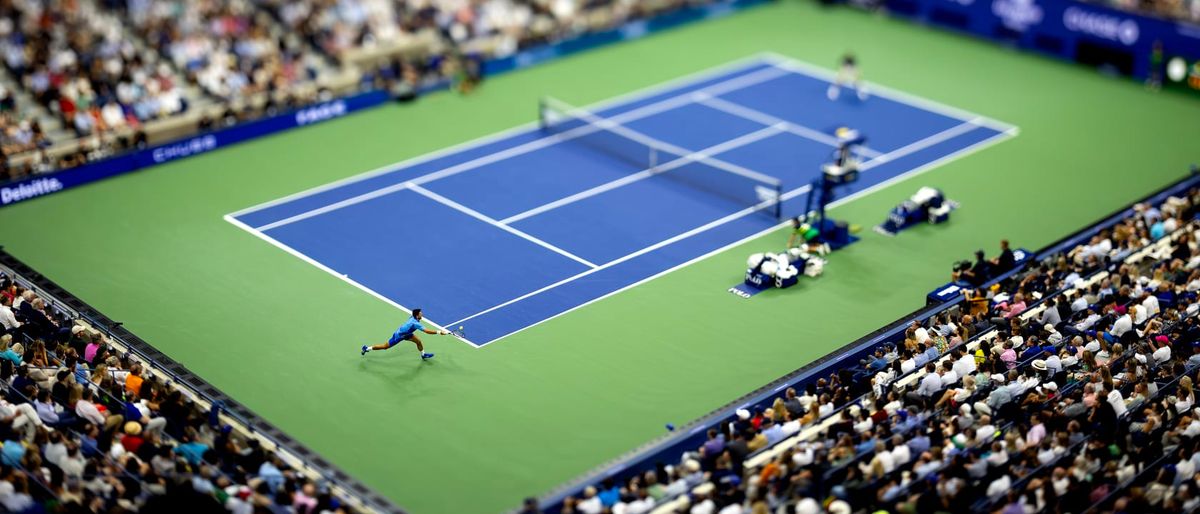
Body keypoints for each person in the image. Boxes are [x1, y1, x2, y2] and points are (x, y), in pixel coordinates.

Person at [361, 309, 447, 360]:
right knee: (385, 346)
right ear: (417, 316)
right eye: (420, 313)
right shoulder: (415, 323)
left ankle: (423, 354)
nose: (422, 314)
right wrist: (439, 332)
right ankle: (367, 348)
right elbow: (427, 331)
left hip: (407, 334)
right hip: (399, 336)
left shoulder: (413, 317)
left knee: (418, 342)